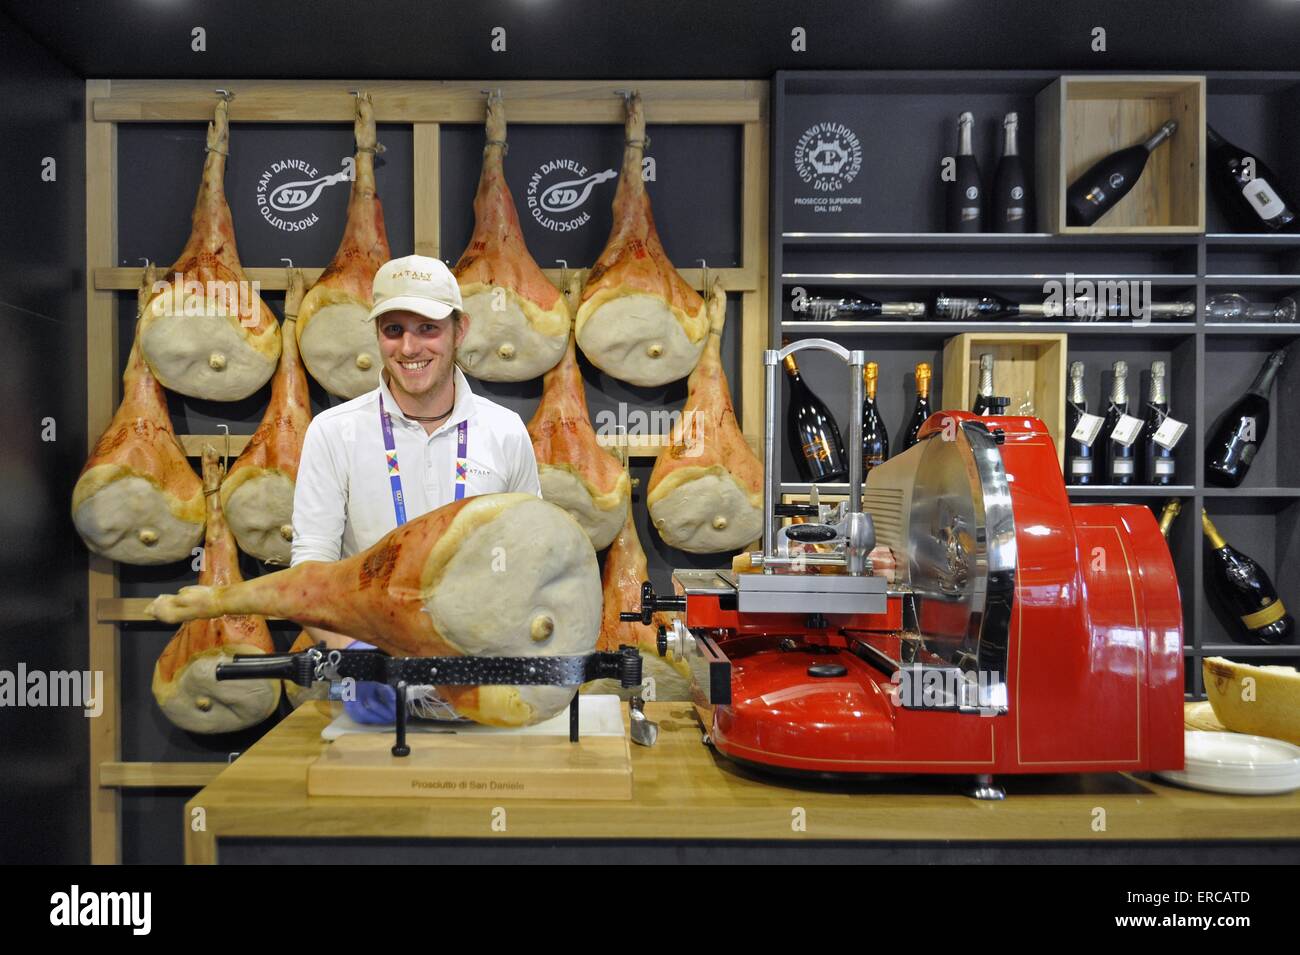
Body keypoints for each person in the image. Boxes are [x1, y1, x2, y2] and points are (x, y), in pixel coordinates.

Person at [289, 254, 541, 722]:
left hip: (484, 688)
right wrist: (359, 658)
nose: (409, 347)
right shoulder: (332, 432)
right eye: (393, 330)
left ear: (458, 331)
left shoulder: (504, 431)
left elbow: (532, 564)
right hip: (375, 691)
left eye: (428, 328)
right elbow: (310, 572)